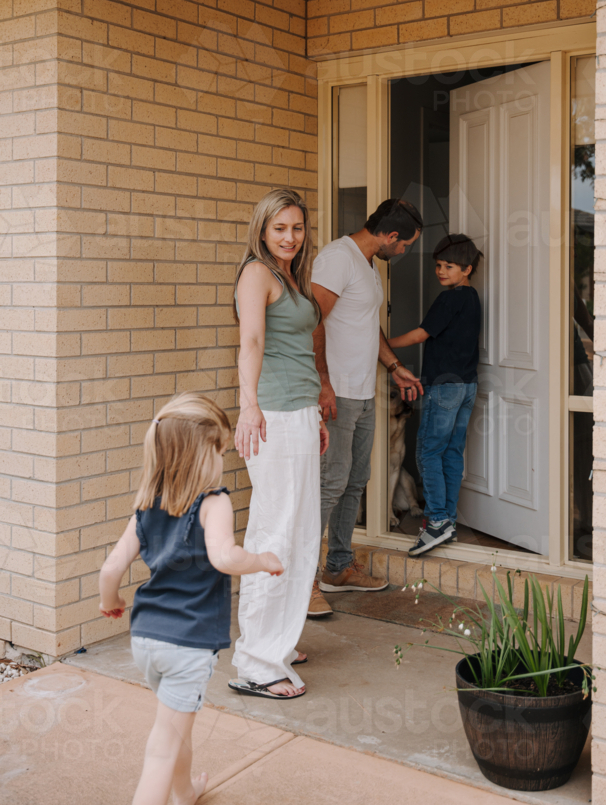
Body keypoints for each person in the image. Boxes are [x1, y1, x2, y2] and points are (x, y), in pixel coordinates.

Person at [98, 392, 283, 805]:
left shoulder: (145, 506)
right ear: (200, 454)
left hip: (146, 640)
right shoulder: (213, 502)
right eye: (219, 449)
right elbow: (224, 557)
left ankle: (185, 793)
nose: (223, 457)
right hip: (187, 645)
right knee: (162, 746)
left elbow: (110, 570)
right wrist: (261, 560)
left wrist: (109, 602)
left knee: (175, 729)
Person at [231, 188, 329, 696]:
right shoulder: (256, 273)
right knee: (273, 533)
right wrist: (249, 405)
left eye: (296, 227)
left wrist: (314, 412)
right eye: (279, 229)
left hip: (299, 412)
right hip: (272, 414)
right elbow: (251, 341)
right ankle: (255, 662)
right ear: (263, 230)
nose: (290, 237)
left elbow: (299, 348)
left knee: (300, 533)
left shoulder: (291, 275)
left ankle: (278, 640)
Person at [308, 199, 424, 617]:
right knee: (330, 483)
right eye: (406, 245)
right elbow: (313, 321)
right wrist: (322, 382)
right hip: (336, 390)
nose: (405, 252)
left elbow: (364, 324)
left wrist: (394, 366)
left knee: (356, 478)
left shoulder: (368, 264)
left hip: (362, 390)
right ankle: (303, 583)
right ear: (391, 237)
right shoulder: (337, 259)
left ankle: (339, 567)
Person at [388, 233, 482, 557]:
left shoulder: (449, 299)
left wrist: (383, 345)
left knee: (428, 453)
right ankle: (449, 522)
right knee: (452, 453)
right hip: (467, 387)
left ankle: (438, 522)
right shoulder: (473, 299)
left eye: (449, 266)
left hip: (444, 388)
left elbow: (420, 334)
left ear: (467, 269)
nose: (441, 271)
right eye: (439, 265)